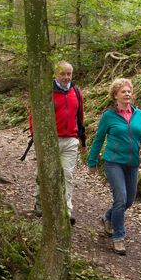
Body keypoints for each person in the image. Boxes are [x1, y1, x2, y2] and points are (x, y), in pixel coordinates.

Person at [87, 78, 141, 255]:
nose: (127, 94)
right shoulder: (108, 116)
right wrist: (92, 162)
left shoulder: (138, 114)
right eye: (123, 91)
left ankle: (107, 217)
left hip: (132, 163)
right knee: (120, 198)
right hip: (114, 162)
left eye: (129, 91)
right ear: (115, 95)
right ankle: (118, 237)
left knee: (129, 200)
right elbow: (99, 139)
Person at [30, 61, 86, 225]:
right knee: (44, 173)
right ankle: (39, 203)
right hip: (49, 140)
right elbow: (34, 114)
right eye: (62, 74)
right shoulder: (47, 91)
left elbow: (80, 117)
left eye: (69, 74)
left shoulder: (76, 91)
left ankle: (66, 212)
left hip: (70, 140)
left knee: (67, 175)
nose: (66, 77)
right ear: (55, 74)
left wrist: (83, 140)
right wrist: (36, 136)